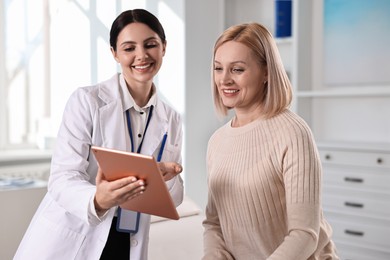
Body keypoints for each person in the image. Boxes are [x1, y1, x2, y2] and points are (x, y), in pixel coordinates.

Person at [14, 9, 184, 260]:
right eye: (129, 48)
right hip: (74, 234)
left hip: (127, 241)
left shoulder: (171, 119)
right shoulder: (87, 101)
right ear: (114, 53)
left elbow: (175, 199)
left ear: (164, 48)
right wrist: (98, 199)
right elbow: (62, 178)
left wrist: (167, 180)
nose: (141, 55)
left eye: (151, 45)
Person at [202, 23, 339, 260]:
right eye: (218, 68)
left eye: (237, 69)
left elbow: (304, 234)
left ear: (266, 72)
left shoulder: (292, 132)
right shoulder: (217, 141)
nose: (224, 80)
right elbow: (214, 223)